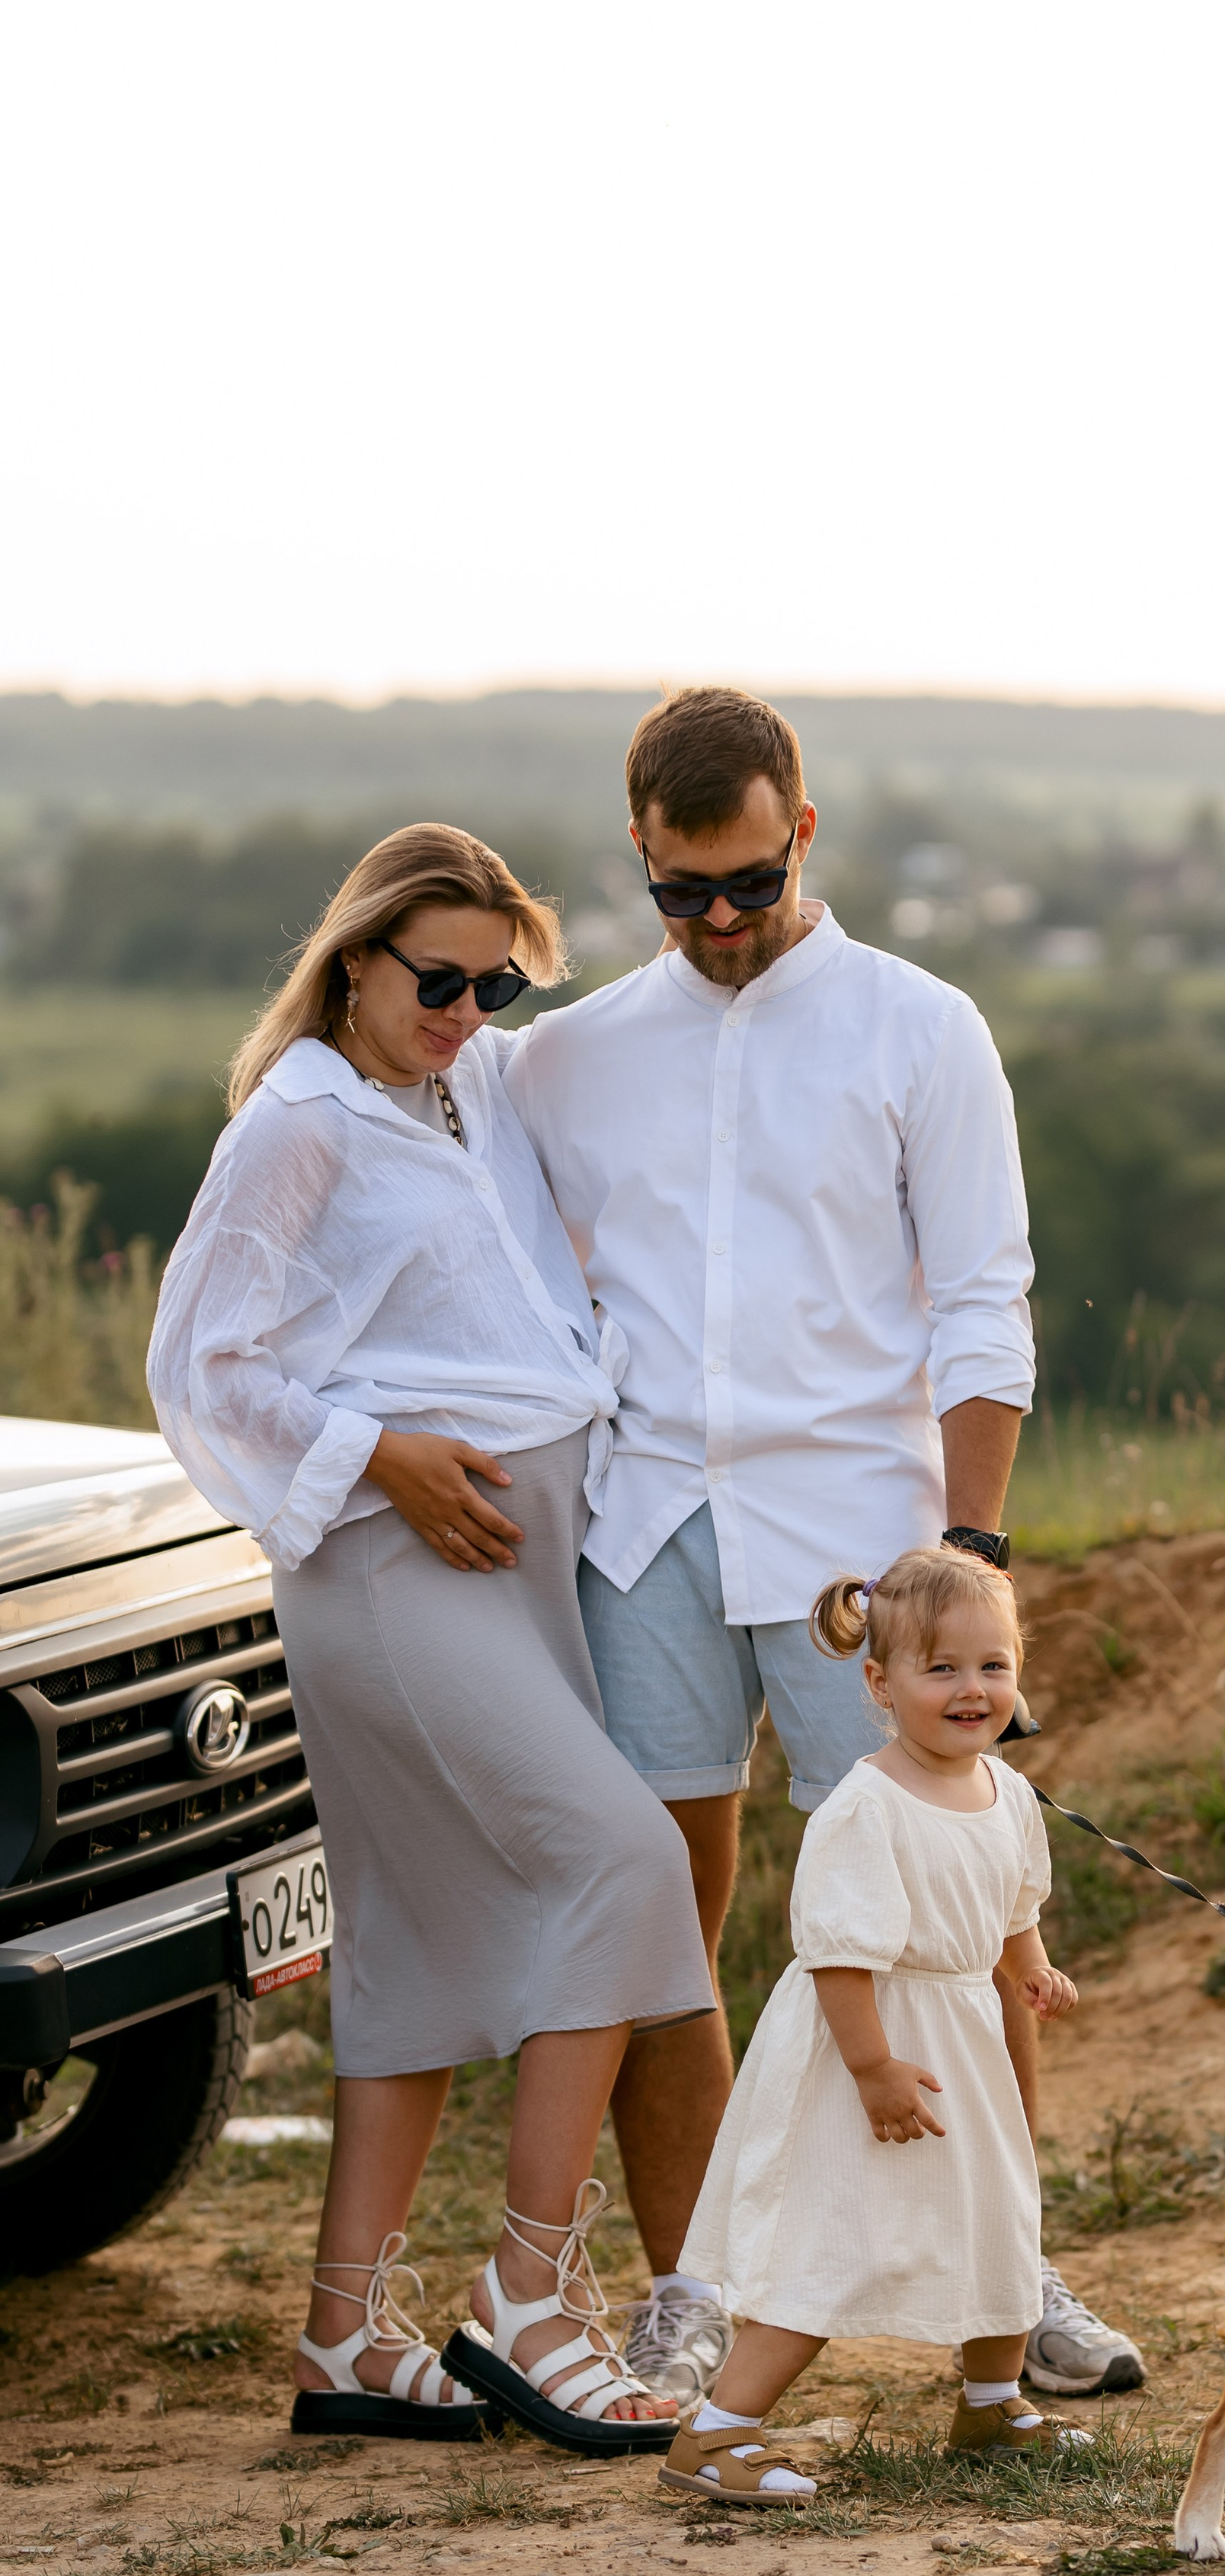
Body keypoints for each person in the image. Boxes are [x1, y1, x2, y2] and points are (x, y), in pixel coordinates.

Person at [502, 685, 1147, 2406]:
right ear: (636, 853)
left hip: (862, 1541)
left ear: (803, 833)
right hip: (642, 1521)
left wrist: (970, 1548)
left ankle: (1010, 2275)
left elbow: (980, 1298)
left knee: (949, 1905)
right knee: (659, 1912)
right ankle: (694, 2283)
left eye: (746, 883)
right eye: (679, 892)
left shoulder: (918, 1028)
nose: (718, 922)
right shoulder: (564, 1057)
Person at [148, 824, 714, 2454]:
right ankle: (532, 2295)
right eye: (437, 980)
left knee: (400, 1943)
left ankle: (345, 2333)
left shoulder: (459, 1088)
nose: (466, 1009)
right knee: (618, 1858)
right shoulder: (304, 1120)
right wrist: (378, 1452)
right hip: (396, 1557)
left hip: (511, 1560)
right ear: (352, 966)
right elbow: (202, 1363)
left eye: (495, 982)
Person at [662, 1547, 1085, 2504]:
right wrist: (872, 2068)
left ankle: (992, 2403)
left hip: (963, 2042)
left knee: (997, 2219)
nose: (971, 1690)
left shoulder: (1008, 1793)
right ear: (880, 1683)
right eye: (940, 1669)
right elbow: (840, 1957)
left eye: (993, 1667)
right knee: (836, 2234)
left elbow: (1014, 1907)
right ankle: (718, 2434)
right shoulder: (864, 1807)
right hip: (870, 2042)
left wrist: (1031, 1971)